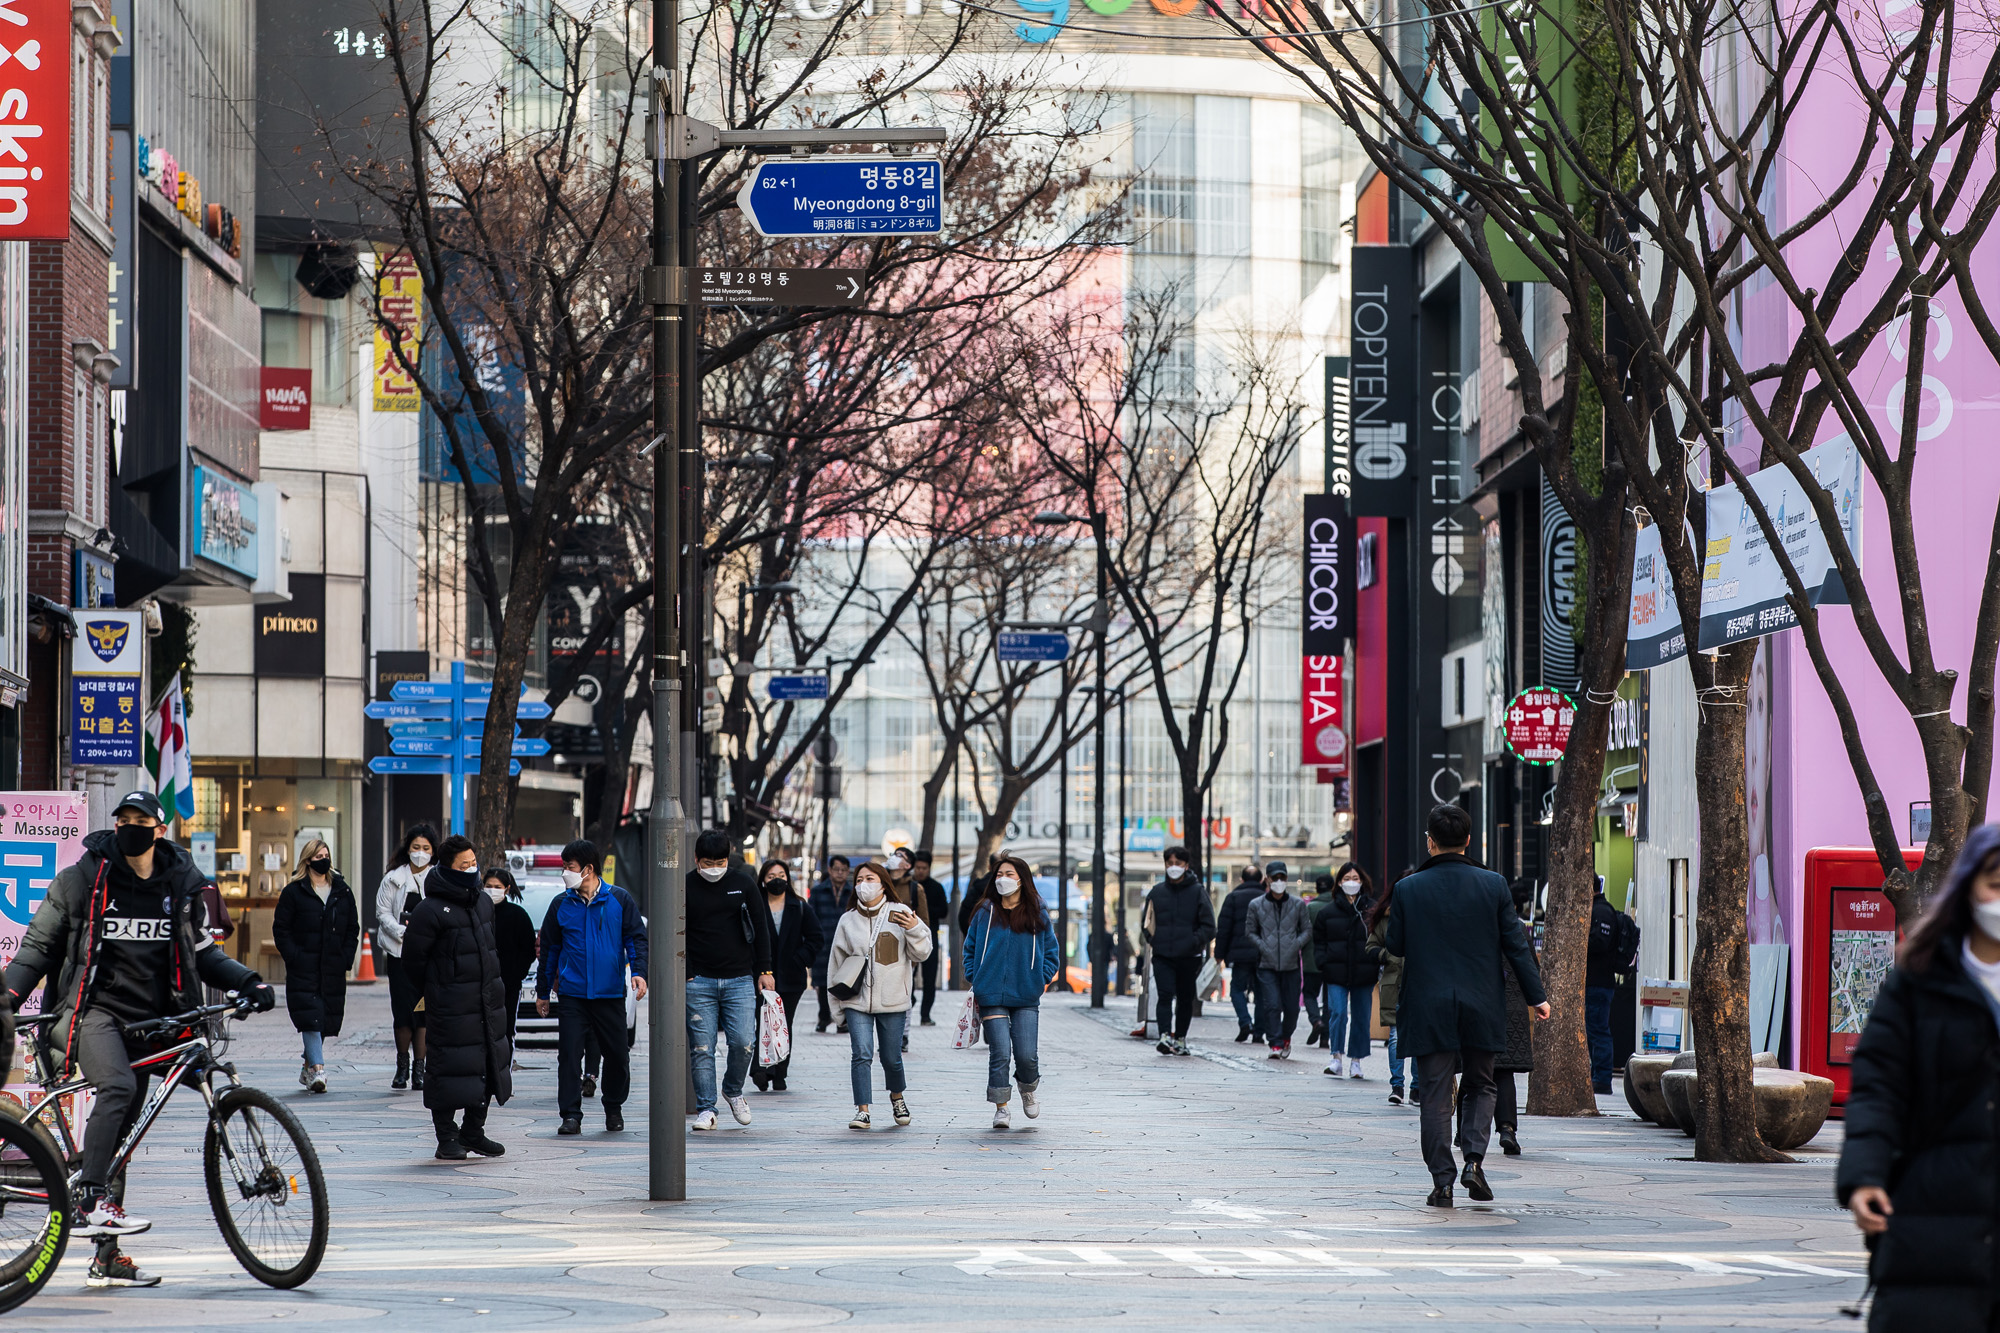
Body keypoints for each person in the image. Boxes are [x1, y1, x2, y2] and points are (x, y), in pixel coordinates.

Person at [1, 790, 276, 1288]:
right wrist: (9, 996)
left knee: (124, 1137)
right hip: (93, 1014)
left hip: (156, 1022)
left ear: (159, 829)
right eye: (123, 819)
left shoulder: (178, 884)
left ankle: (106, 1255)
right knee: (121, 1088)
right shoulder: (83, 879)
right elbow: (38, 948)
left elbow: (202, 955)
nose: (131, 827)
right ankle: (88, 1198)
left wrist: (248, 981)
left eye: (141, 820)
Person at [1840, 823, 2000, 1332]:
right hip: (1934, 1213)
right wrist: (1864, 1176)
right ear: (1970, 886)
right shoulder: (1918, 982)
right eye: (1997, 883)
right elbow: (1878, 1086)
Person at [1387, 804, 1548, 1208]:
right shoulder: (1493, 885)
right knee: (1481, 1082)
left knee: (1436, 1095)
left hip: (1428, 1004)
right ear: (1469, 841)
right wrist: (1537, 997)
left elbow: (1395, 945)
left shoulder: (1408, 888)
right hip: (1482, 1002)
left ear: (1430, 841)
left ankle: (1442, 1182)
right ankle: (1473, 1161)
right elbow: (1516, 944)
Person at [401, 835, 513, 1160]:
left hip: (487, 1001)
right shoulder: (430, 910)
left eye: (474, 863)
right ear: (448, 869)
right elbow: (413, 961)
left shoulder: (482, 903)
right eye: (464, 866)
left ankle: (474, 1131)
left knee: (489, 1064)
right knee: (447, 1068)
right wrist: (439, 987)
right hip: (450, 1005)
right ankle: (447, 1137)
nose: (472, 870)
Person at [536, 839, 648, 1135]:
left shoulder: (619, 900)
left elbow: (636, 939)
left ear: (588, 869)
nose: (564, 873)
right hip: (573, 995)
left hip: (610, 993)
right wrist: (543, 991)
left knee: (618, 1056)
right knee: (569, 1056)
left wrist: (639, 973)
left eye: (568, 867)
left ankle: (613, 1108)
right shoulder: (561, 904)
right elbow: (549, 950)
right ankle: (571, 1114)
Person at [827, 860, 932, 1130]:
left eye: (870, 879)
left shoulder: (901, 913)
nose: (864, 885)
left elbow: (922, 953)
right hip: (855, 999)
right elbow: (835, 964)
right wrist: (836, 1009)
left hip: (893, 999)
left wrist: (914, 928)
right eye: (859, 880)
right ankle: (862, 1110)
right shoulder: (848, 920)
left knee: (891, 1057)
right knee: (860, 1054)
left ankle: (897, 1097)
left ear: (884, 883)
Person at [686, 829, 775, 1131]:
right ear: (696, 859)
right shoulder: (684, 885)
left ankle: (733, 1090)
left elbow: (761, 928)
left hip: (739, 978)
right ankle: (706, 1108)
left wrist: (765, 971)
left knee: (743, 1043)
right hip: (699, 980)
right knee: (702, 1047)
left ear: (729, 858)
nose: (714, 867)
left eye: (720, 861)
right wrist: (686, 971)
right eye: (708, 862)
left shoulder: (743, 883)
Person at [962, 855, 1060, 1128]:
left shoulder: (1037, 910)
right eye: (999, 874)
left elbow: (1051, 951)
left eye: (1009, 873)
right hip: (990, 994)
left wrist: (1039, 979)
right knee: (1001, 1051)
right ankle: (1001, 1107)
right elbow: (969, 947)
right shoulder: (985, 911)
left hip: (1026, 995)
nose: (1002, 878)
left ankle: (1027, 1089)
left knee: (1027, 1055)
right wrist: (975, 976)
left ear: (1022, 879)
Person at [271, 837, 360, 1095]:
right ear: (308, 859)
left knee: (324, 1016)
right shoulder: (294, 892)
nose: (324, 860)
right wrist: (294, 956)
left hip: (332, 966)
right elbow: (282, 929)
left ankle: (308, 1064)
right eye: (319, 856)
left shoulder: (342, 891)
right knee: (310, 1016)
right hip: (304, 966)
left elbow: (352, 928)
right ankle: (318, 1070)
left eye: (326, 855)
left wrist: (345, 957)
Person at [753, 858, 823, 1092]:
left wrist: (799, 959)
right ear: (763, 880)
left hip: (791, 978)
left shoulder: (800, 906)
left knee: (783, 1023)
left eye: (781, 875)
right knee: (761, 1022)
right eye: (771, 876)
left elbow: (816, 938)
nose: (777, 880)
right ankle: (760, 1069)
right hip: (758, 977)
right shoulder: (754, 905)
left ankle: (780, 1072)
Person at [376, 823, 436, 1091]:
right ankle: (402, 1066)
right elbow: (383, 913)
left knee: (422, 1013)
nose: (420, 853)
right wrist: (401, 932)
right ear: (407, 848)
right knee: (402, 1013)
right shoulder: (393, 878)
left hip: (428, 956)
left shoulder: (438, 878)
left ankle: (420, 1070)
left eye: (425, 848)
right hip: (399, 953)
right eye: (416, 848)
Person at [1141, 845, 1213, 1055]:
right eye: (1170, 863)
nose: (1173, 867)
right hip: (1163, 954)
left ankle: (1180, 1038)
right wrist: (1153, 940)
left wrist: (1194, 941)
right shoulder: (1156, 892)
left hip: (1189, 956)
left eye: (1178, 864)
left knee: (1184, 998)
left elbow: (1209, 926)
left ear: (1186, 866)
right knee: (1164, 995)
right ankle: (1165, 1035)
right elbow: (1147, 922)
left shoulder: (1198, 892)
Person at [1315, 862, 1380, 1078]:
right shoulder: (1328, 912)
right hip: (1336, 971)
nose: (1351, 882)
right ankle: (1336, 1057)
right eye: (1346, 879)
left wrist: (1375, 960)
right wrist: (1322, 962)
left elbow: (1380, 937)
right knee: (1338, 1012)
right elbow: (1319, 941)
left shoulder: (1372, 910)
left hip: (1364, 970)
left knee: (1362, 1016)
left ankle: (1356, 1061)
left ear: (1362, 881)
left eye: (1355, 878)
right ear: (1339, 883)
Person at [1247, 861, 1310, 1059]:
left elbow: (1307, 929)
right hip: (1267, 964)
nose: (1279, 881)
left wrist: (1296, 944)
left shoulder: (1298, 904)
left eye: (1282, 877)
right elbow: (1249, 931)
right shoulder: (1256, 905)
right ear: (1267, 879)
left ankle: (1285, 1037)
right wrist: (1263, 946)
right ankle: (1274, 1042)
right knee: (1272, 1004)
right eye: (1275, 878)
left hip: (1291, 964)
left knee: (1292, 1007)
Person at [483, 866, 539, 1064]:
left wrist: (517, 974)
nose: (492, 890)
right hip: (478, 983)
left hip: (508, 985)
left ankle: (504, 1073)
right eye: (488, 886)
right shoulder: (475, 913)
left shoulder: (518, 915)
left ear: (506, 888)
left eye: (497, 886)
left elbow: (529, 949)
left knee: (506, 1030)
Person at [1585, 876, 1635, 1094]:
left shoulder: (1601, 911)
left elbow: (1600, 943)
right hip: (1595, 983)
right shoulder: (1597, 910)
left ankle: (1602, 1079)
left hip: (1598, 983)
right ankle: (1598, 1075)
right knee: (1594, 1030)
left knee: (1598, 1031)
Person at [1364, 870, 1409, 1104]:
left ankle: (1419, 1087)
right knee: (1395, 1035)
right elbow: (1370, 947)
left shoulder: (1427, 915)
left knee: (1421, 1035)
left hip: (1422, 982)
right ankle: (1398, 1085)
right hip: (1394, 981)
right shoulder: (1385, 918)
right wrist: (1387, 956)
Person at [1214, 864, 1266, 1042]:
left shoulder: (1233, 897)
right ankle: (1259, 1032)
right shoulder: (1266, 897)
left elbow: (1224, 928)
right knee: (1261, 993)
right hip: (1262, 953)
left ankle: (1245, 1022)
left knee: (1236, 989)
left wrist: (1219, 954)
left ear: (1241, 880)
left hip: (1239, 954)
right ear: (1261, 880)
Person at [909, 849, 950, 1025]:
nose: (920, 871)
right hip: (910, 938)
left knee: (930, 977)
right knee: (907, 975)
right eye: (917, 867)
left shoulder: (936, 887)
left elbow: (944, 911)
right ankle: (908, 1004)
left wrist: (924, 912)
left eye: (924, 868)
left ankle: (926, 1014)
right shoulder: (908, 886)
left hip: (929, 937)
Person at [810, 855, 849, 1033]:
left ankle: (842, 1020)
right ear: (830, 870)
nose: (840, 873)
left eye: (843, 870)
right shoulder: (818, 891)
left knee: (845, 982)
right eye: (836, 869)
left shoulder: (853, 892)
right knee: (822, 982)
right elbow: (811, 917)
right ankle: (824, 1016)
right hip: (823, 942)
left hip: (846, 944)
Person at [1301, 875, 1332, 1046]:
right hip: (1333, 960)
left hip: (1311, 959)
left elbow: (1303, 932)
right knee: (1329, 998)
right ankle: (1325, 1037)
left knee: (1309, 993)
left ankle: (1316, 1021)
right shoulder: (1337, 906)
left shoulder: (1310, 907)